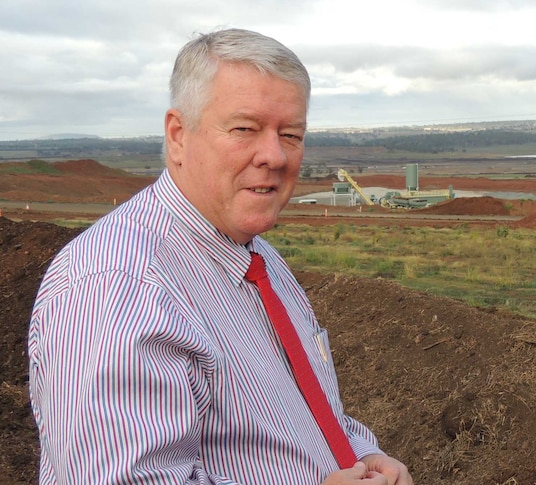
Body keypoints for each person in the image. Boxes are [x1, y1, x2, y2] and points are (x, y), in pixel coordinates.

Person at [28, 28, 412, 485]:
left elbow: (303, 415)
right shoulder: (117, 289)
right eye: (244, 129)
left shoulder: (259, 261)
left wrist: (363, 455)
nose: (273, 155)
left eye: (290, 134)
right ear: (178, 136)